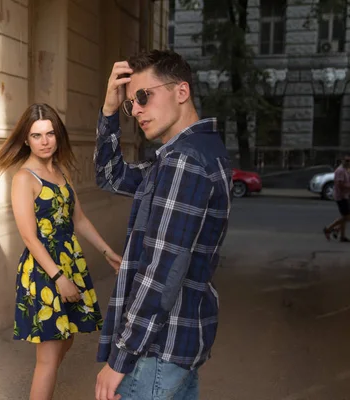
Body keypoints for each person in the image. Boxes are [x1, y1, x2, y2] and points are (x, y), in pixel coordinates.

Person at [93, 50, 233, 400]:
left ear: (181, 92)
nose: (136, 109)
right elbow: (111, 176)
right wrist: (110, 111)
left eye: (144, 96)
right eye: (131, 104)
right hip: (176, 346)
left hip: (156, 351)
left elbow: (162, 272)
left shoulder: (185, 162)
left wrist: (120, 359)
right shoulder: (191, 153)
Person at [0, 103, 123, 400]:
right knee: (47, 358)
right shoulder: (24, 179)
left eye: (50, 134)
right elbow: (29, 237)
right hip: (44, 271)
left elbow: (79, 218)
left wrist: (107, 251)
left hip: (69, 262)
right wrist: (59, 277)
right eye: (36, 135)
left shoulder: (60, 171)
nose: (45, 141)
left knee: (66, 339)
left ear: (57, 135)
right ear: (26, 139)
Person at [323, 155, 350, 242]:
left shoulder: (345, 169)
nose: (348, 162)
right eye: (346, 160)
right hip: (341, 197)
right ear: (343, 160)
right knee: (346, 217)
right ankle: (329, 229)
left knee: (345, 216)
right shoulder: (340, 170)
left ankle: (341, 235)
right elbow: (340, 184)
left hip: (345, 196)